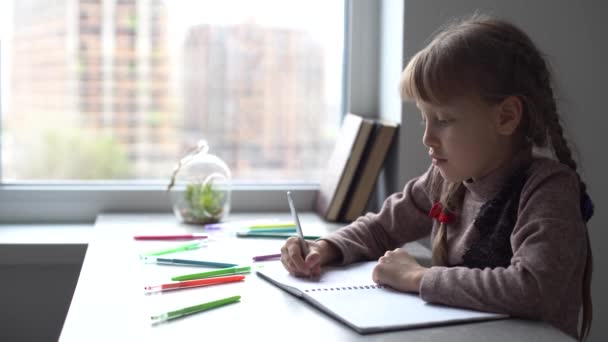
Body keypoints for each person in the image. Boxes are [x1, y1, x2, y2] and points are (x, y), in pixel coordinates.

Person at [280, 14, 594, 341]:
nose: (427, 138)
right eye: (424, 119)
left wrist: (419, 277)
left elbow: (532, 288)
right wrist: (325, 247)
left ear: (506, 117)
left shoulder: (547, 190)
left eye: (443, 119)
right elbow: (383, 227)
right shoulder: (445, 180)